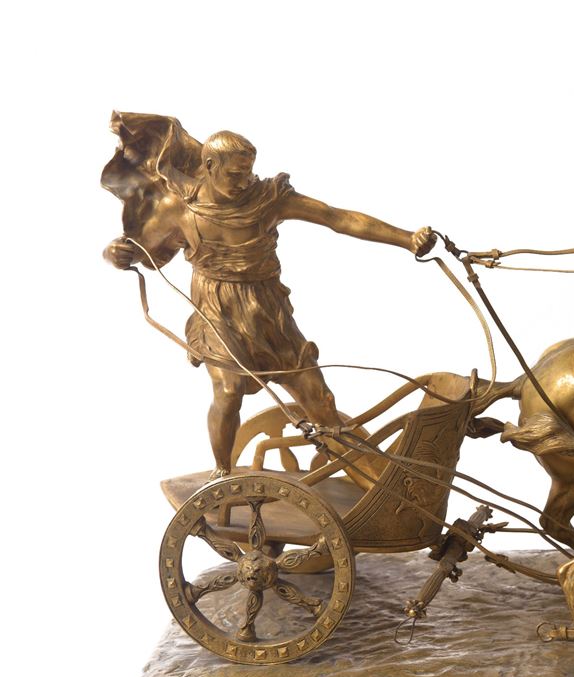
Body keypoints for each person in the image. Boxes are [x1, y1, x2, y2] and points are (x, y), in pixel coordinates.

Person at [102, 114, 435, 479]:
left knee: (319, 398)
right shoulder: (180, 208)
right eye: (234, 175)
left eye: (248, 172)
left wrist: (407, 239)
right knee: (228, 390)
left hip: (268, 311)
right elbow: (135, 249)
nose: (245, 182)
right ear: (209, 167)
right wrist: (115, 254)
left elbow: (337, 218)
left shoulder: (268, 200)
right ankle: (223, 475)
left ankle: (369, 479)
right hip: (217, 311)